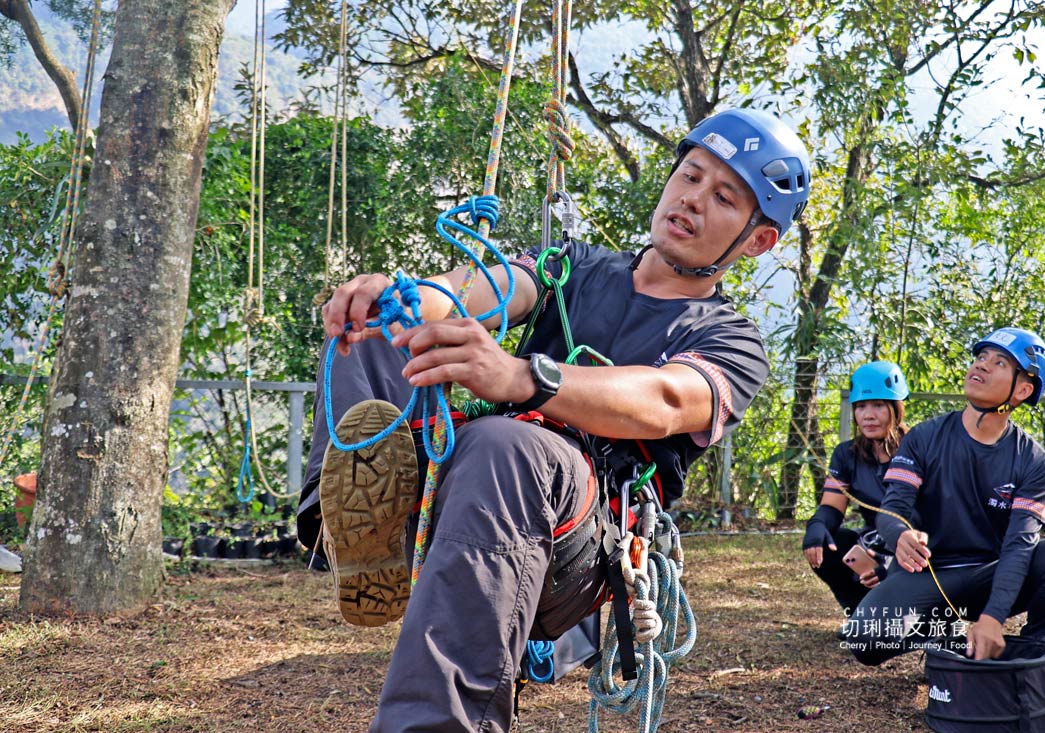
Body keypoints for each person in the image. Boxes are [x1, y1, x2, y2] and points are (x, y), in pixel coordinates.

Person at [295, 108, 811, 732]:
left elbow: (668, 400)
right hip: (471, 488)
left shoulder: (731, 339)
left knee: (508, 443)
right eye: (691, 176)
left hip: (578, 544)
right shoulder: (573, 267)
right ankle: (353, 528)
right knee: (379, 326)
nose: (693, 199)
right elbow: (482, 288)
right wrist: (404, 294)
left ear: (756, 240)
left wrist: (524, 377)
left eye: (723, 197)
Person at [846, 327, 1045, 666]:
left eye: (999, 363)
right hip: (928, 574)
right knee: (866, 637)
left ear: (1023, 389)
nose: (981, 365)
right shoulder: (925, 437)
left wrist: (994, 616)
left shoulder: (1033, 460)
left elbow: (1020, 544)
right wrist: (899, 534)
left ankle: (1029, 652)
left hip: (990, 575)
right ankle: (944, 634)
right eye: (981, 357)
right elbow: (893, 508)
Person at [803, 361, 910, 614]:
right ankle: (858, 610)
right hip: (872, 541)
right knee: (832, 542)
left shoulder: (918, 448)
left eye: (878, 405)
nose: (868, 415)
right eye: (861, 406)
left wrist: (891, 564)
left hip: (915, 543)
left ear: (897, 408)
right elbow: (831, 506)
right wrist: (817, 526)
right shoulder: (846, 454)